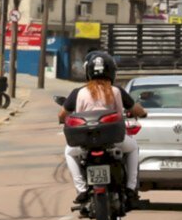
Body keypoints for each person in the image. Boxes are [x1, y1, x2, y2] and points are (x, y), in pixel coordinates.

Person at [58, 51, 147, 206]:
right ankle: (131, 188)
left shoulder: (78, 92)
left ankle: (81, 190)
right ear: (112, 72)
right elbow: (136, 110)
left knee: (69, 152)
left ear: (88, 72)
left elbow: (62, 115)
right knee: (133, 148)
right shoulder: (117, 91)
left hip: (84, 142)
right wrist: (144, 113)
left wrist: (63, 119)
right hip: (114, 141)